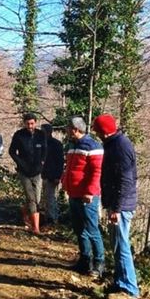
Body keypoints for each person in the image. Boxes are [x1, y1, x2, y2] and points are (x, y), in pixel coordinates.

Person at [92, 114, 139, 299]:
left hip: (122, 206)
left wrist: (116, 209)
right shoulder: (113, 144)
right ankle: (120, 282)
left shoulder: (120, 147)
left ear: (103, 131)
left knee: (122, 245)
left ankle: (129, 288)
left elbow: (125, 181)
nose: (95, 133)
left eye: (96, 130)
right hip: (117, 204)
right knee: (118, 245)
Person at [61, 116, 105, 277]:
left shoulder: (93, 146)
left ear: (75, 129)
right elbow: (70, 168)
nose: (66, 130)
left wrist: (90, 191)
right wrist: (65, 183)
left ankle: (99, 263)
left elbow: (96, 172)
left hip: (87, 197)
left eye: (68, 127)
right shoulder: (73, 146)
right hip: (74, 194)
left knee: (92, 229)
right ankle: (85, 260)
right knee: (79, 229)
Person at [9, 112, 47, 234]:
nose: (30, 126)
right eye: (27, 124)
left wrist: (42, 161)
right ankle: (36, 227)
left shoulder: (41, 135)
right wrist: (20, 163)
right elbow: (12, 151)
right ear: (24, 123)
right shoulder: (19, 135)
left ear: (35, 123)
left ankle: (25, 211)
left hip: (37, 171)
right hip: (24, 171)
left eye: (32, 123)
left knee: (37, 198)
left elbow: (45, 150)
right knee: (31, 199)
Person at [41, 123, 64, 225]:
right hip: (42, 174)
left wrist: (57, 176)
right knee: (44, 198)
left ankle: (53, 219)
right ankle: (46, 217)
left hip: (52, 175)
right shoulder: (40, 143)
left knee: (51, 198)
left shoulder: (56, 144)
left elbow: (60, 162)